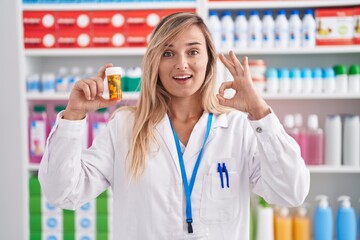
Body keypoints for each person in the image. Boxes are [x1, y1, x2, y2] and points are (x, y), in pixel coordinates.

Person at [39, 12, 310, 239]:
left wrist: (260, 112)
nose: (181, 64)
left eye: (193, 51)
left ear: (209, 60)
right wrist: (73, 115)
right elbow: (63, 193)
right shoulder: (125, 127)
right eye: (168, 53)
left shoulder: (237, 127)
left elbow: (291, 191)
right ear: (154, 63)